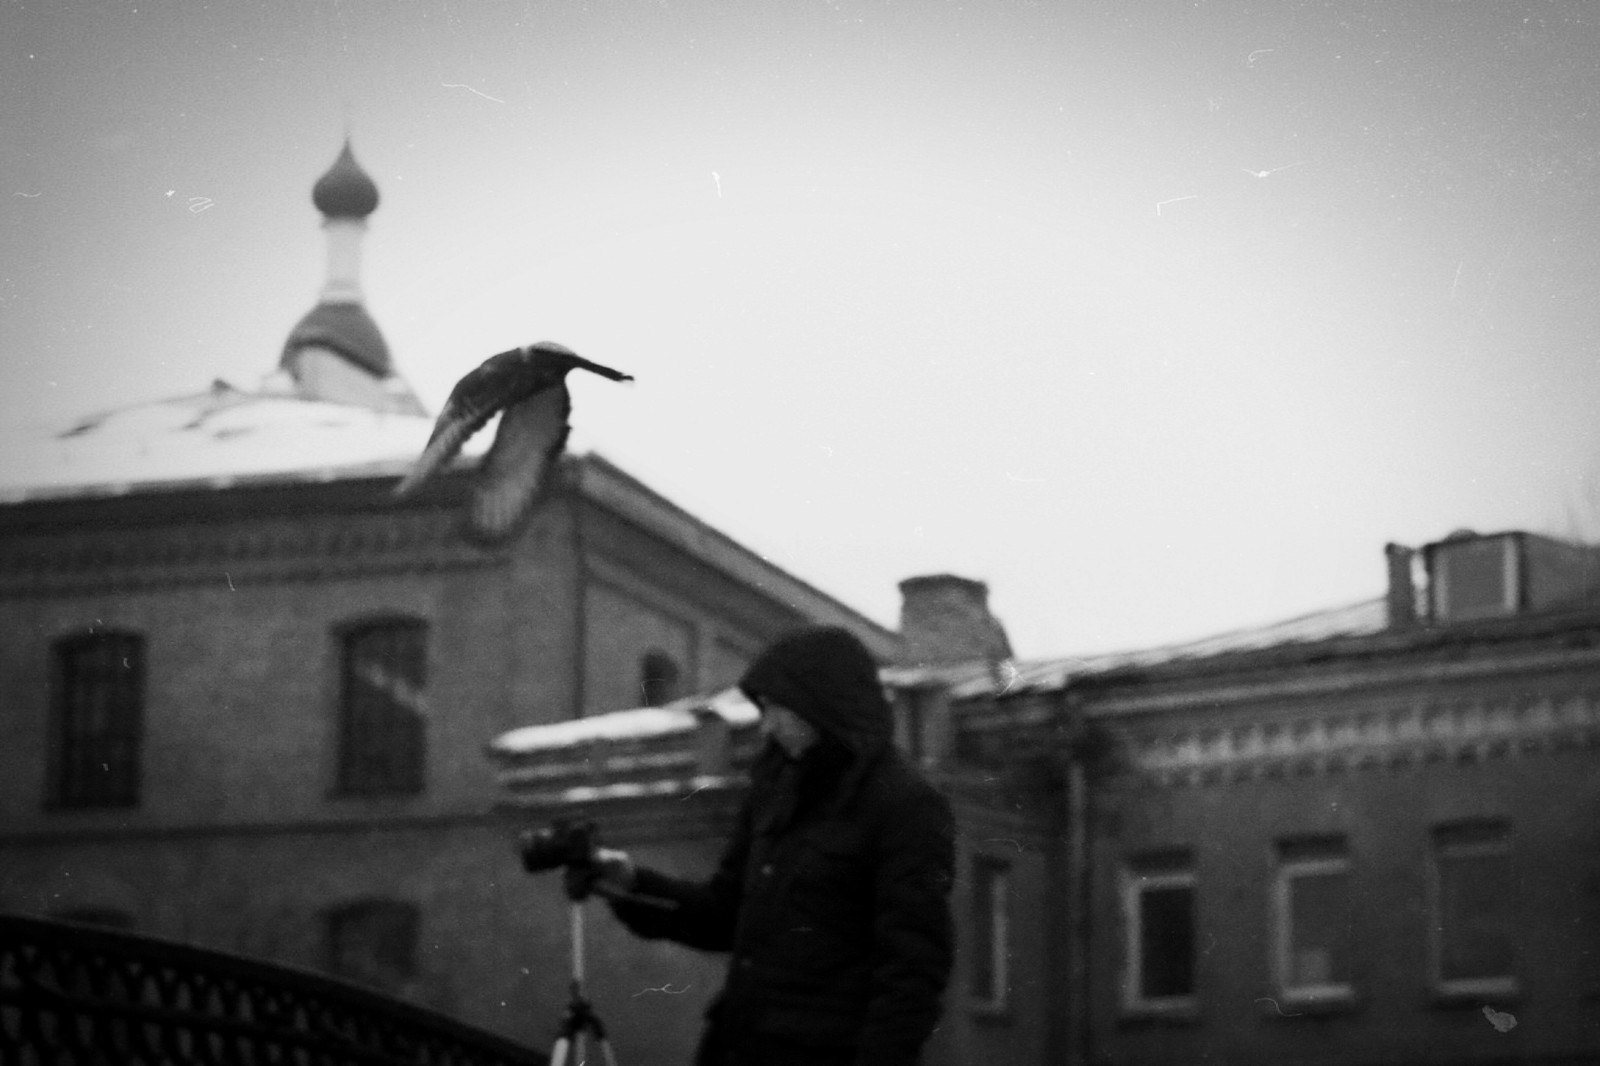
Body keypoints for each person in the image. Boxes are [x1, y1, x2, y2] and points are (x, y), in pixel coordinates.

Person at [590, 625, 955, 1066]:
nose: (767, 726)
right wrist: (631, 885)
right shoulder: (776, 792)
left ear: (821, 705)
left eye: (778, 708)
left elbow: (911, 976)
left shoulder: (904, 804)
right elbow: (723, 915)